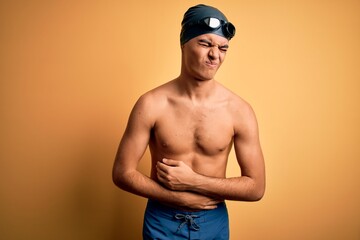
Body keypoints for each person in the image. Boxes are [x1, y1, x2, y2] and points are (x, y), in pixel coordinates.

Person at [112, 4, 265, 239]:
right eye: (205, 44)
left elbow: (256, 187)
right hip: (161, 220)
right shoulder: (152, 104)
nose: (215, 55)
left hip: (213, 221)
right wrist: (175, 197)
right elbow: (122, 172)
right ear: (184, 43)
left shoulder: (239, 110)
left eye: (223, 48)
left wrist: (194, 181)